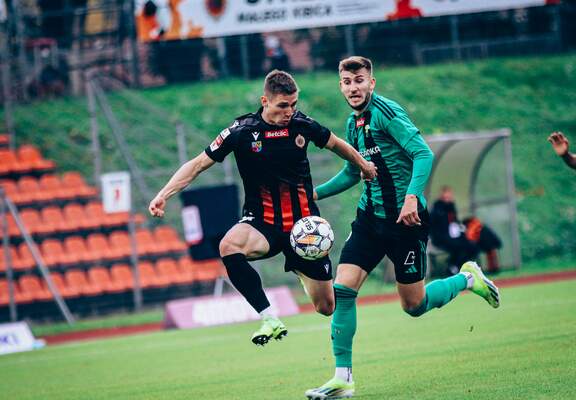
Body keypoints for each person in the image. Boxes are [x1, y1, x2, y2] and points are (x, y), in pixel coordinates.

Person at [304, 56, 500, 399]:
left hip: (405, 223)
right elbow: (353, 172)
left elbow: (423, 154)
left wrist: (411, 198)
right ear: (341, 86)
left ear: (371, 82)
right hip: (369, 220)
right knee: (343, 289)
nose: (353, 88)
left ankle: (468, 278)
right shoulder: (352, 124)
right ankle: (342, 379)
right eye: (347, 82)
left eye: (359, 81)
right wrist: (313, 195)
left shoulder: (387, 113)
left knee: (414, 305)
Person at [149, 70, 377, 346]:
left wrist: (364, 165)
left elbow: (337, 144)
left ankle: (301, 270)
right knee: (229, 246)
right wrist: (164, 194)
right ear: (265, 101)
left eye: (293, 104)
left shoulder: (302, 124)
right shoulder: (241, 132)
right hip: (262, 223)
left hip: (304, 229)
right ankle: (269, 318)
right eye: (283, 105)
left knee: (326, 307)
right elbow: (197, 164)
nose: (289, 111)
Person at [430, 186, 502, 275]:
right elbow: (437, 228)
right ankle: (453, 266)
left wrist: (462, 229)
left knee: (472, 245)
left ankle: (457, 266)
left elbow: (454, 223)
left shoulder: (451, 207)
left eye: (449, 197)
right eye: (445, 197)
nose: (448, 199)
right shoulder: (437, 209)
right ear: (441, 197)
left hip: (454, 236)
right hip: (442, 238)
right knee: (462, 246)